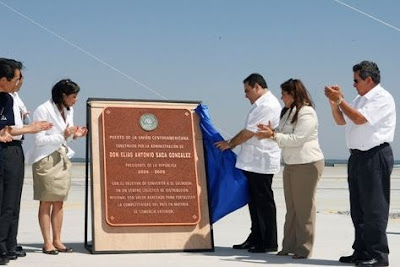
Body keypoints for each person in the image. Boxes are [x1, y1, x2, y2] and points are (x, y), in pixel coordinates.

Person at [325, 61, 395, 266]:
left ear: (369, 80)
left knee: (374, 208)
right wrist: (335, 103)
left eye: (356, 80)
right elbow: (341, 121)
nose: (353, 84)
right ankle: (362, 251)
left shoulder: (382, 98)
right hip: (357, 157)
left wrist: (340, 100)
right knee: (358, 209)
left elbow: (358, 119)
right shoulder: (358, 99)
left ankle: (378, 255)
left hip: (375, 155)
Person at [256, 79, 324, 259]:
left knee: (305, 209)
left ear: (293, 94)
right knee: (292, 208)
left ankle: (304, 249)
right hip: (292, 164)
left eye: (284, 94)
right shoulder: (288, 112)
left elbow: (297, 139)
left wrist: (273, 135)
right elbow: (281, 133)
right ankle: (289, 246)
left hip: (307, 164)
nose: (281, 97)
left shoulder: (307, 112)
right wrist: (270, 132)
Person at [215, 73, 281, 253]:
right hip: (253, 160)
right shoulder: (260, 105)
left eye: (247, 90)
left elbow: (249, 132)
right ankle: (256, 236)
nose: (245, 95)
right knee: (254, 202)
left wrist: (229, 144)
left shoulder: (267, 105)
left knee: (263, 201)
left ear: (257, 86)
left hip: (261, 160)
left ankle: (268, 241)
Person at [0, 58, 52, 264]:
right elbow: (6, 130)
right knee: (4, 202)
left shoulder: (9, 98)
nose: (20, 82)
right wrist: (32, 129)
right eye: (17, 78)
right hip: (5, 149)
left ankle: (8, 243)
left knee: (11, 202)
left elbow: (8, 129)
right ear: (4, 79)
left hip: (13, 148)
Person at [26, 79, 87, 255]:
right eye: (73, 96)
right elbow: (39, 140)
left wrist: (77, 135)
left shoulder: (69, 110)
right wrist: (63, 135)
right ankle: (47, 243)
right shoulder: (42, 109)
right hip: (46, 159)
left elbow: (66, 135)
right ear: (63, 95)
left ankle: (57, 240)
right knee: (46, 202)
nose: (76, 100)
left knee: (59, 202)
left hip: (62, 158)